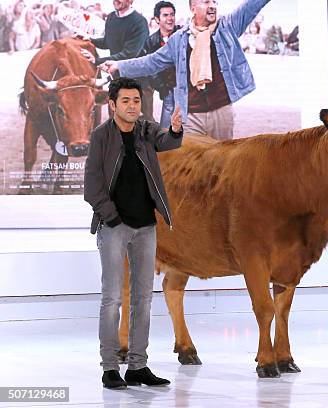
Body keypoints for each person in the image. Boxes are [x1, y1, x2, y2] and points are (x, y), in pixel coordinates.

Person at [84, 77, 183, 389]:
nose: (132, 106)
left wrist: (176, 130)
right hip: (114, 227)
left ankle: (138, 366)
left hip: (145, 227)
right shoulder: (101, 136)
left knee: (143, 298)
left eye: (136, 101)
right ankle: (110, 367)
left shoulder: (145, 128)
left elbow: (167, 142)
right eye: (125, 101)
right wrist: (111, 218)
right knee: (112, 298)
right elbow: (92, 187)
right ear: (113, 104)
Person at [101, 0, 272, 141]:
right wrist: (120, 65)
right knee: (192, 168)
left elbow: (251, 6)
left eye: (214, 2)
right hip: (191, 115)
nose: (212, 5)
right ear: (193, 8)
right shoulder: (179, 39)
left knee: (220, 168)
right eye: (206, 2)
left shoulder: (227, 27)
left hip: (222, 111)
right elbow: (152, 62)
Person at [142, 0, 181, 129]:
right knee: (165, 129)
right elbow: (150, 69)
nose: (170, 18)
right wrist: (162, 87)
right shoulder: (151, 42)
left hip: (188, 91)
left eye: (172, 14)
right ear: (157, 19)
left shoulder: (183, 35)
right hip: (168, 91)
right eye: (165, 15)